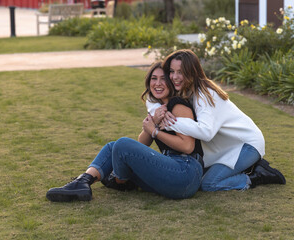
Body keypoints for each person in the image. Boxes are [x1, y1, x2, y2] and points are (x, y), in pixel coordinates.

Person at [46, 61, 204, 201]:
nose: (158, 83)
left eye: (163, 79)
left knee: (122, 144)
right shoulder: (159, 109)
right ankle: (82, 182)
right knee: (113, 146)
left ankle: (120, 181)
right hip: (172, 172)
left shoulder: (178, 105)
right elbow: (142, 143)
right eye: (153, 79)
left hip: (185, 173)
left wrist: (155, 132)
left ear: (171, 82)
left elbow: (188, 147)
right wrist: (153, 124)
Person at [147, 49, 286, 191]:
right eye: (171, 71)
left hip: (247, 144)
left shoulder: (205, 95)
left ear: (192, 72)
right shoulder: (185, 90)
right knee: (199, 178)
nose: (174, 77)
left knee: (209, 184)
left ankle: (258, 174)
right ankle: (247, 168)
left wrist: (170, 124)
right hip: (226, 148)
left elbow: (206, 132)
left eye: (180, 72)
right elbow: (151, 98)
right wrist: (156, 112)